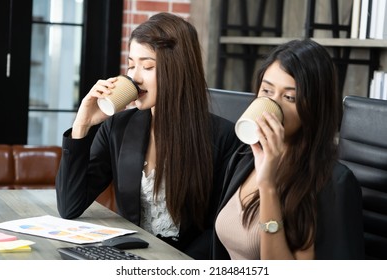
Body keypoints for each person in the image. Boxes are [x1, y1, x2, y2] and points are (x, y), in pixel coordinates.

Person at [55, 12, 240, 259]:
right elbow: (70, 206)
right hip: (129, 258)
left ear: (179, 69)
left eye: (148, 66)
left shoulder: (223, 137)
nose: (135, 77)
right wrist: (82, 125)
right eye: (131, 64)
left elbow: (218, 232)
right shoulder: (117, 127)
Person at [212, 39, 365, 260]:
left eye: (290, 97)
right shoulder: (244, 157)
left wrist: (268, 186)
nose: (273, 106)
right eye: (266, 90)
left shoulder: (333, 184)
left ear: (314, 106)